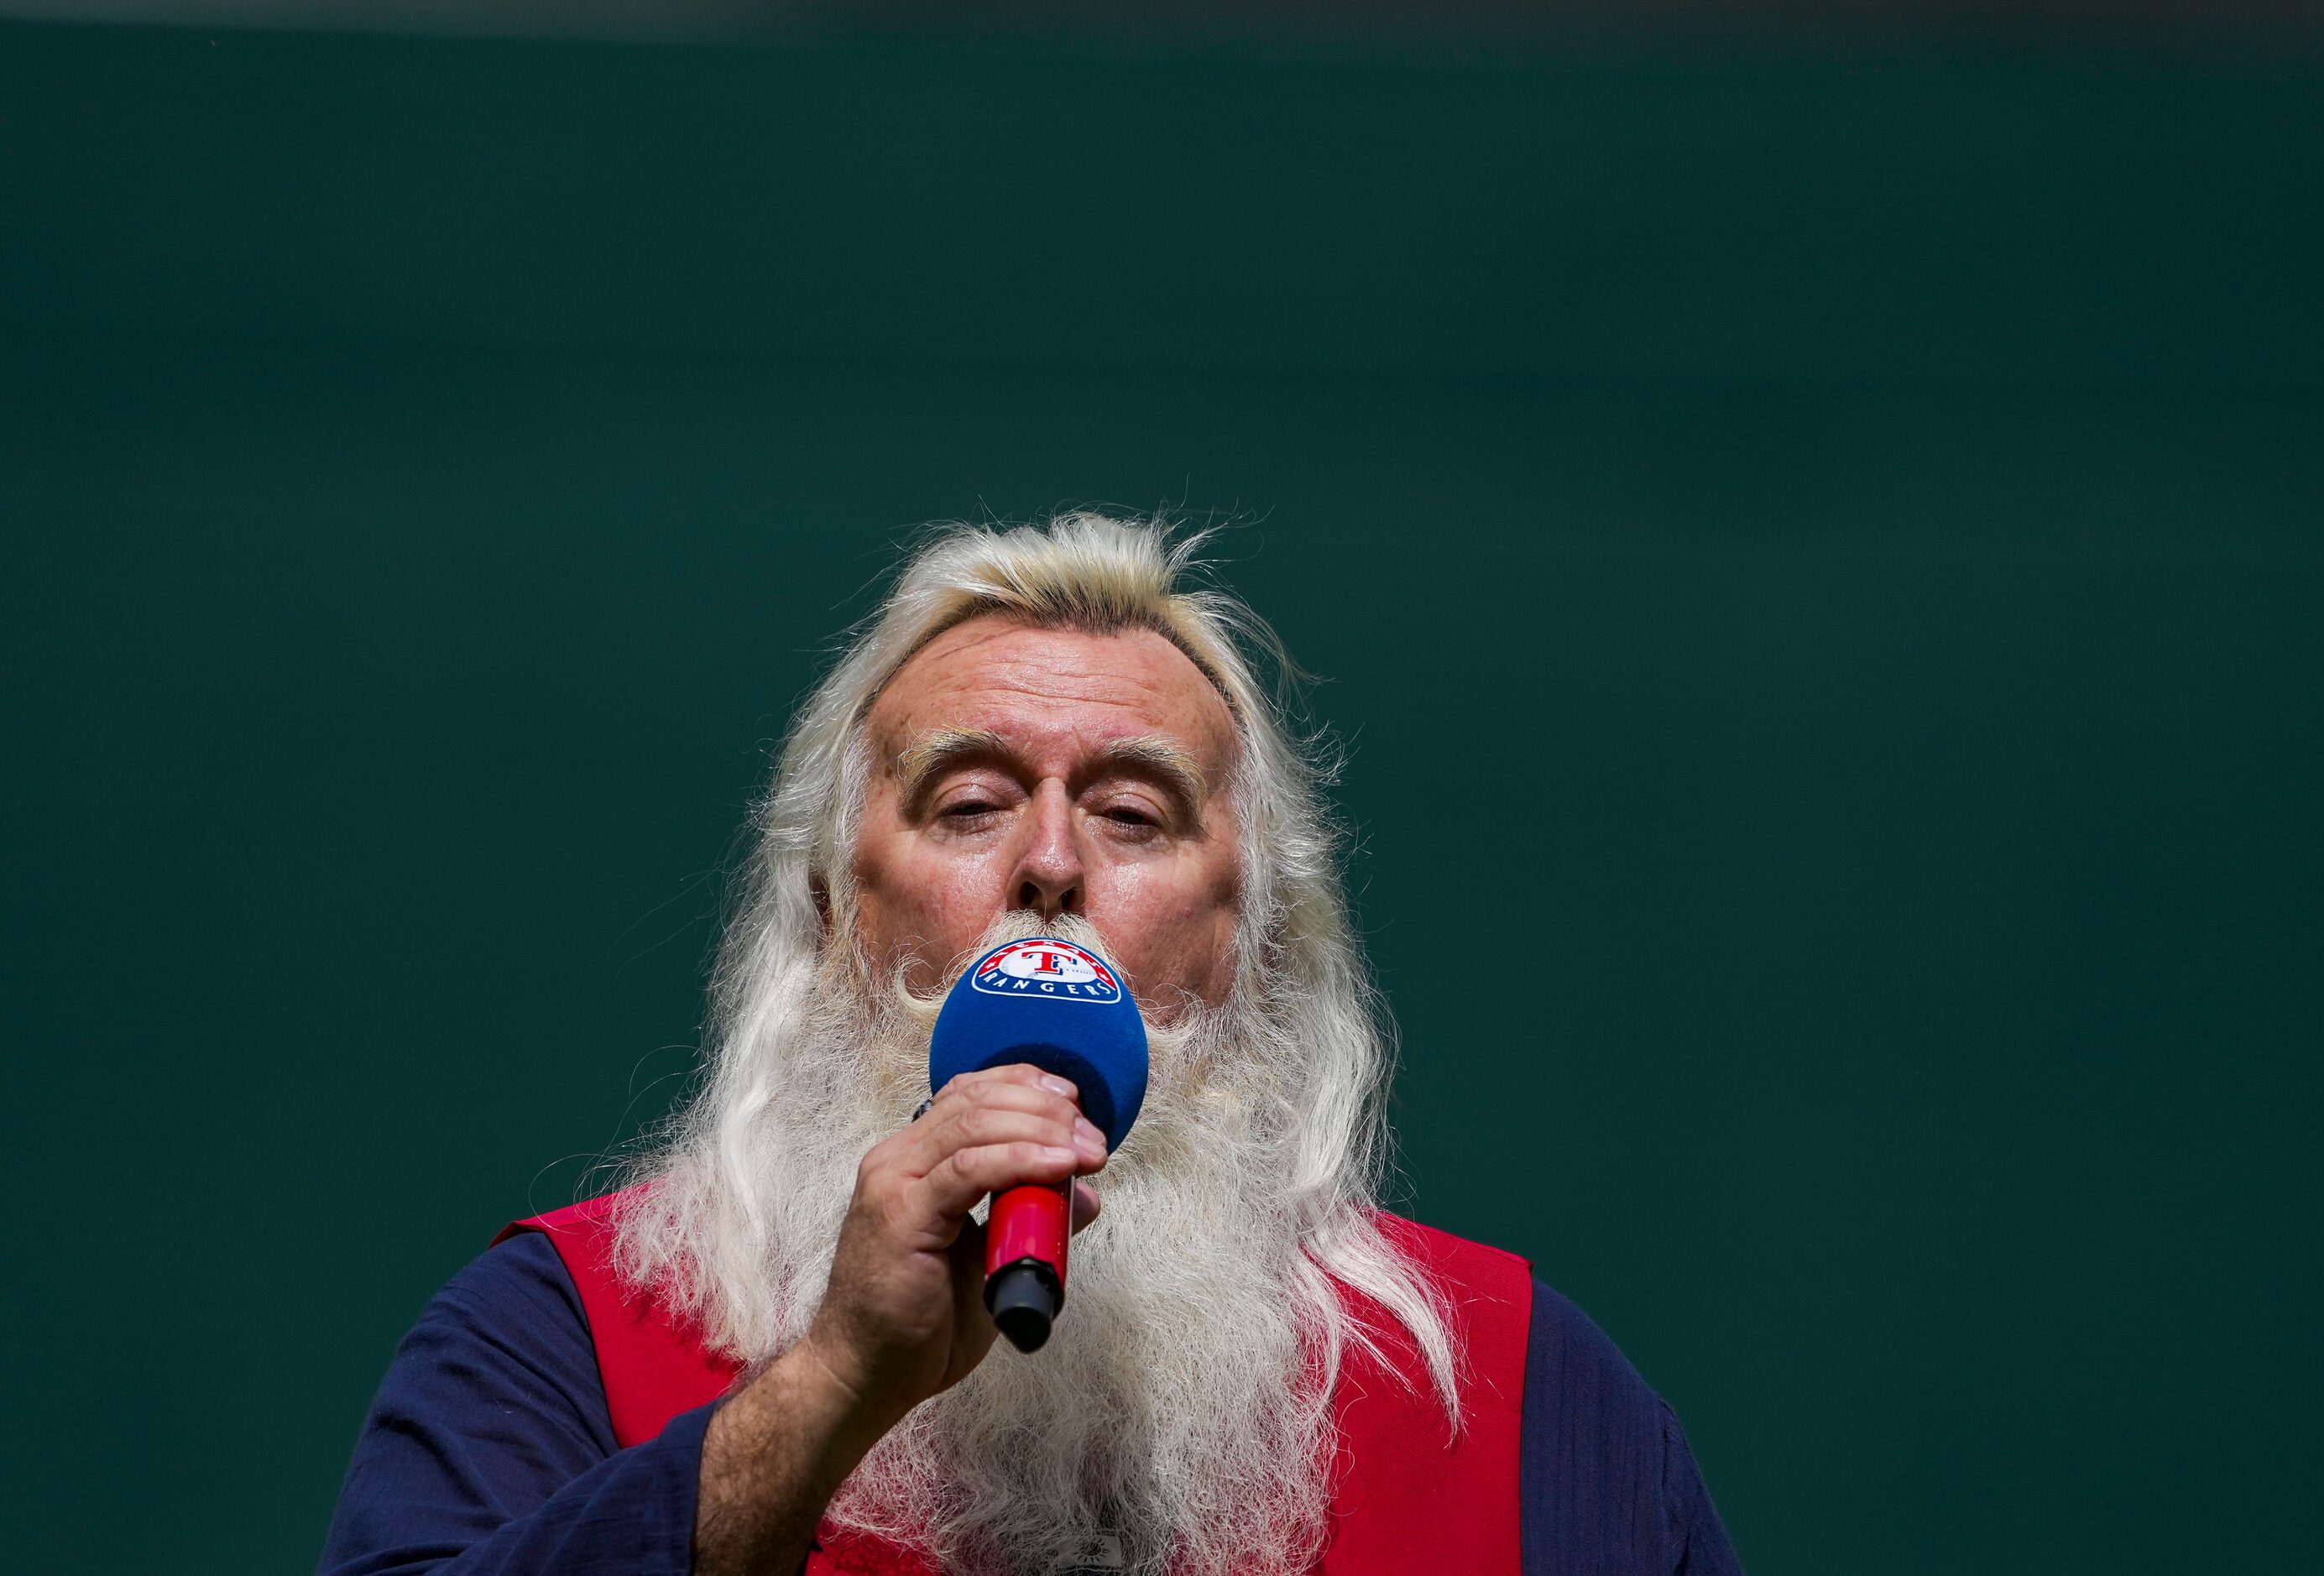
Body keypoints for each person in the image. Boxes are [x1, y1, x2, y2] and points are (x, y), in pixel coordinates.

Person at [320, 515, 1742, 1576]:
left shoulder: (1521, 1405)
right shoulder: (562, 1337)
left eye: (1133, 812)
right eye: (968, 803)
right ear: (829, 910)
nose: (1050, 862)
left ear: (1259, 945)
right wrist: (823, 1390)